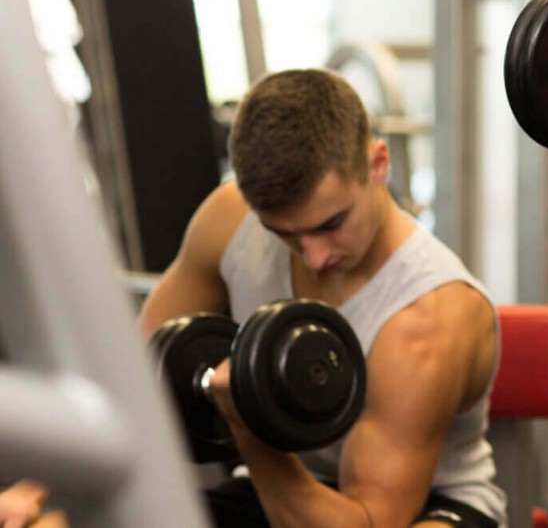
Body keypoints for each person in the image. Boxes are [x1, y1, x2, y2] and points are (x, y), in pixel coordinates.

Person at [138, 69, 505, 528]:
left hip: (421, 505)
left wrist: (246, 426)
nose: (313, 257)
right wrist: (39, 491)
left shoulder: (428, 315)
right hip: (275, 483)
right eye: (283, 234)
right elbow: (134, 374)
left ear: (378, 164)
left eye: (329, 224)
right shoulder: (229, 219)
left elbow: (369, 521)